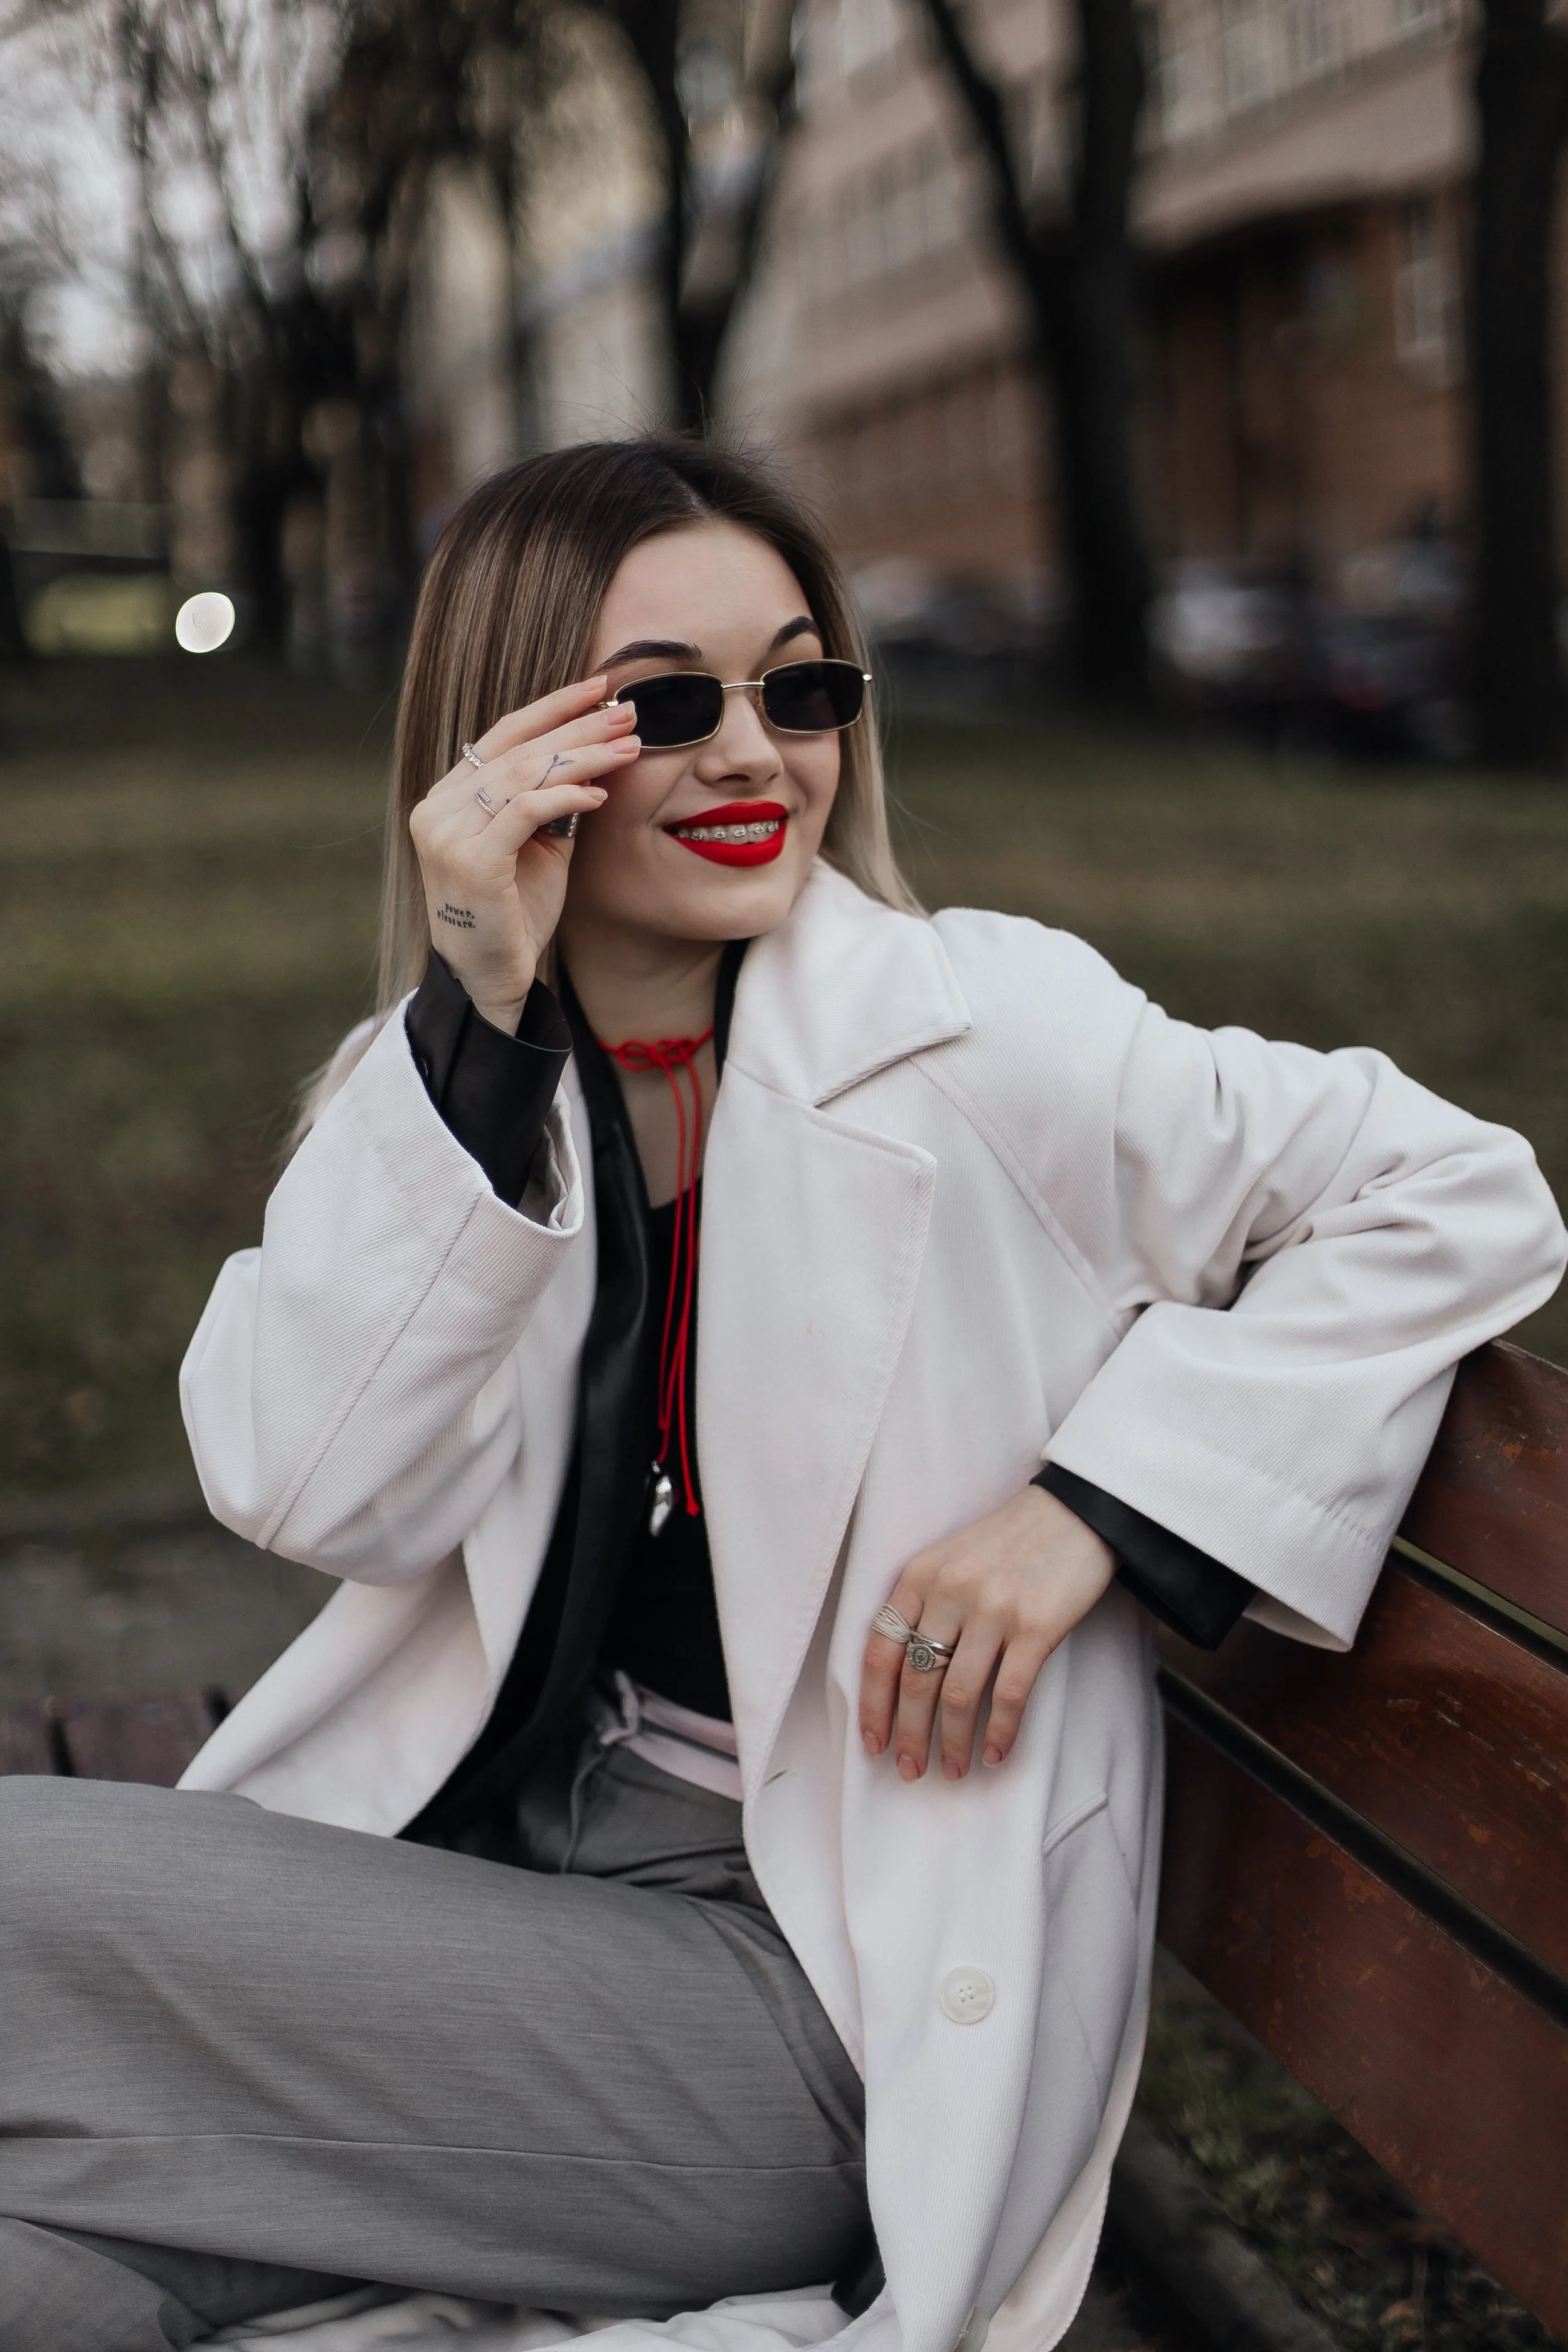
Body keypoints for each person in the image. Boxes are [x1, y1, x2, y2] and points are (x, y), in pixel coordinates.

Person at [1, 437, 1561, 2352]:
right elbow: (301, 1481)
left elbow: (1453, 1185)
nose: (754, 751)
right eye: (666, 700)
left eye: (799, 686)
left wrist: (1096, 1506)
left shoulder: (985, 1037)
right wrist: (473, 1032)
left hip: (817, 2001)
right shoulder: (457, 1082)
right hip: (525, 1890)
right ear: (509, 747)